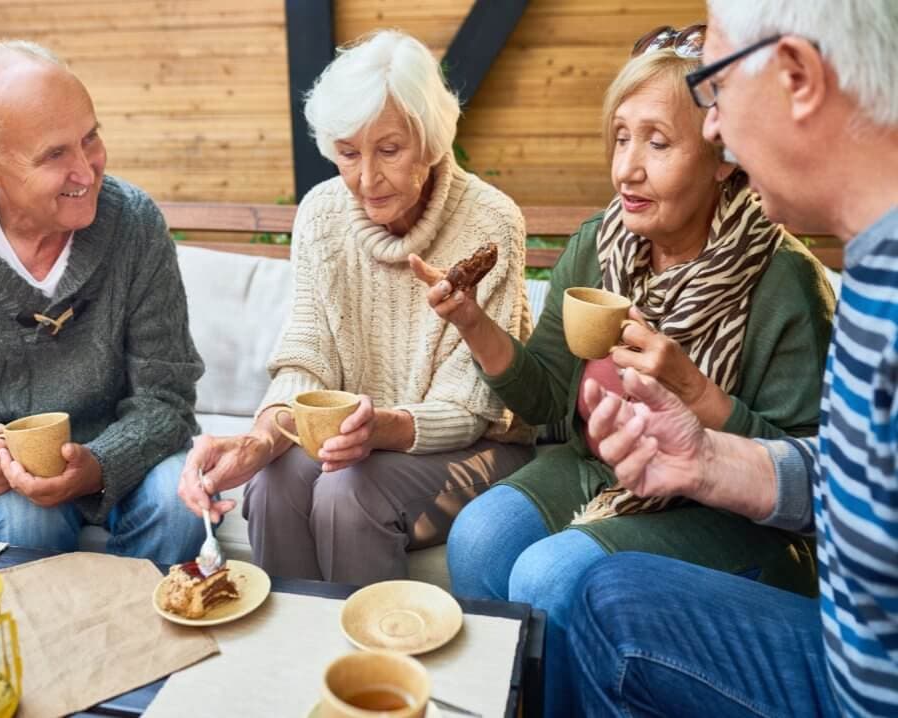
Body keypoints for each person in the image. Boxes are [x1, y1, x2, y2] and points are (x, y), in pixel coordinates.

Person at [416, 23, 837, 718]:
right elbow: (549, 396)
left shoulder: (784, 282)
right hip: (599, 470)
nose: (627, 169)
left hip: (729, 513)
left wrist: (694, 391)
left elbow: (807, 483)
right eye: (620, 137)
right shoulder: (599, 245)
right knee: (480, 536)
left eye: (657, 142)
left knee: (553, 574)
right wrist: (471, 320)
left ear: (723, 156)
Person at [567, 1, 898, 716]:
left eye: (714, 88)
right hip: (841, 656)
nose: (713, 126)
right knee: (609, 601)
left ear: (796, 76)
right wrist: (708, 461)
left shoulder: (809, 281)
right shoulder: (874, 268)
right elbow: (859, 481)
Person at [177, 30, 533, 585]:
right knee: (271, 482)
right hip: (357, 440)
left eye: (389, 150)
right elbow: (306, 357)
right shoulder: (321, 214)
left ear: (430, 138)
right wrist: (261, 439)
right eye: (347, 153)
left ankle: (370, 668)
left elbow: (473, 405)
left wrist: (382, 428)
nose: (367, 179)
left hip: (475, 444)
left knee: (348, 490)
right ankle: (297, 656)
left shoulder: (490, 220)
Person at [0, 41, 205, 564]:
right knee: (22, 517)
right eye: (54, 154)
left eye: (90, 138)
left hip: (130, 454)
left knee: (177, 505)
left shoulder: (135, 224)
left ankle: (153, 640)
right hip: (15, 485)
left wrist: (100, 463)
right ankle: (44, 645)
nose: (87, 171)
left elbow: (167, 400)